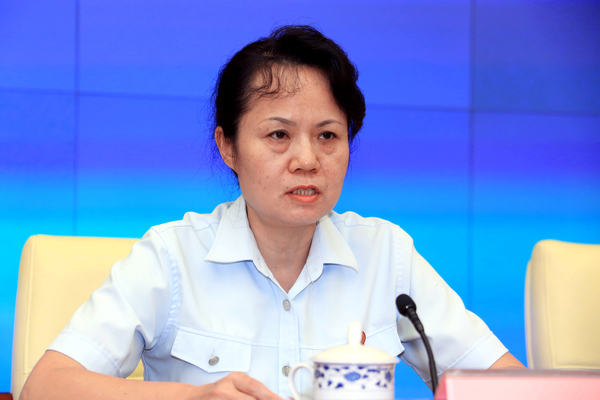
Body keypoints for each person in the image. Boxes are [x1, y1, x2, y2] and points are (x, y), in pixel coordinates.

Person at [21, 25, 524, 400]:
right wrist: (195, 397)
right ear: (229, 147)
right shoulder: (171, 257)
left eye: (328, 135)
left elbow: (504, 382)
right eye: (279, 134)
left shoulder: (385, 254)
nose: (307, 159)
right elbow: (44, 387)